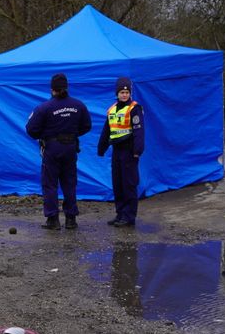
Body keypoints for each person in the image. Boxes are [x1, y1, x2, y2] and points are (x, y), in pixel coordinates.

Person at [25, 72, 92, 229]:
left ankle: (53, 219)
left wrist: (45, 136)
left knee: (50, 184)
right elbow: (87, 126)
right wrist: (72, 133)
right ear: (67, 87)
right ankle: (71, 219)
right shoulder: (78, 105)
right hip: (70, 147)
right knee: (69, 183)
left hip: (52, 148)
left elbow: (31, 129)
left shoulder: (44, 108)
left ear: (52, 89)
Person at [97, 75, 145, 227]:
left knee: (129, 184)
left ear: (130, 93)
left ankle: (129, 216)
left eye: (127, 92)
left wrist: (137, 150)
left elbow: (139, 131)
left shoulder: (134, 108)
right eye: (121, 92)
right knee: (118, 184)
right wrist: (101, 148)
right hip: (116, 151)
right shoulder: (112, 109)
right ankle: (120, 213)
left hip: (129, 151)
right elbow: (106, 130)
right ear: (116, 93)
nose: (124, 95)